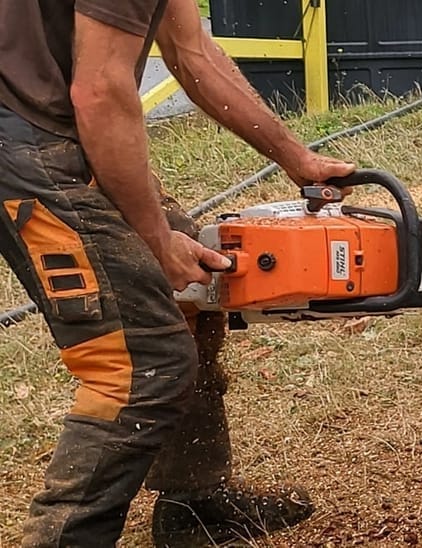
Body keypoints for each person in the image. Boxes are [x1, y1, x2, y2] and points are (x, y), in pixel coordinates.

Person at [0, 0, 356, 545]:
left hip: (48, 128)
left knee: (194, 295)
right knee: (144, 358)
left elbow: (193, 51)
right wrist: (156, 241)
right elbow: (100, 92)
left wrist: (297, 159)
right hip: (22, 143)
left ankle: (193, 500)